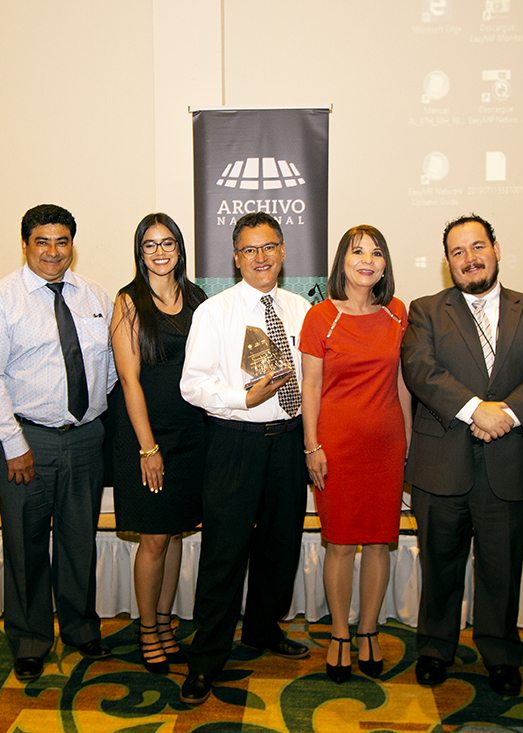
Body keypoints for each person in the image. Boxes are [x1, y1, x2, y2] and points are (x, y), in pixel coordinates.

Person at [401, 215, 523, 696]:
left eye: (477, 246)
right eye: (458, 251)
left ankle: (500, 652)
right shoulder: (426, 310)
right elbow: (420, 370)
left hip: (511, 462)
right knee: (439, 564)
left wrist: (508, 414)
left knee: (502, 568)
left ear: (495, 247)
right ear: (447, 262)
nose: (469, 258)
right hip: (442, 464)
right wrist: (477, 410)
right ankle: (434, 648)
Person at [0, 204, 117, 683]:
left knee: (79, 540)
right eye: (42, 242)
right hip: (25, 440)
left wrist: (93, 415)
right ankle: (30, 638)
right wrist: (13, 442)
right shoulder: (0, 300)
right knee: (26, 544)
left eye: (62, 241)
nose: (53, 252)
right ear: (25, 244)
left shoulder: (95, 296)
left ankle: (79, 627)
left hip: (84, 439)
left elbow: (110, 369)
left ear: (73, 243)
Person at [178, 211, 312, 705]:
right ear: (235, 258)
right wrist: (243, 398)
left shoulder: (301, 310)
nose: (261, 257)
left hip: (289, 443)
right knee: (224, 553)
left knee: (281, 545)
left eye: (269, 247)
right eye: (250, 249)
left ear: (282, 252)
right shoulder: (214, 312)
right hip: (235, 441)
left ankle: (261, 629)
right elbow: (192, 384)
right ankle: (207, 657)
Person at [299, 225, 412, 683]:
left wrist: (409, 445)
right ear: (342, 261)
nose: (368, 259)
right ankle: (340, 634)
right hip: (336, 448)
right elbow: (311, 386)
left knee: (380, 543)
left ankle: (369, 630)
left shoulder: (398, 314)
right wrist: (312, 446)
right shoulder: (320, 316)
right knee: (341, 545)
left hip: (386, 446)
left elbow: (403, 383)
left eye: (377, 252)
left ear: (385, 264)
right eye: (357, 251)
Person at [109, 213, 206, 673]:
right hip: (146, 435)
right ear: (139, 252)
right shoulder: (128, 302)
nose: (160, 251)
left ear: (179, 249)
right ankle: (147, 629)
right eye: (150, 245)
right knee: (153, 537)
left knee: (178, 532)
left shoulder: (197, 298)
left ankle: (165, 622)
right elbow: (129, 381)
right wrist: (148, 448)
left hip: (192, 434)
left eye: (167, 243)